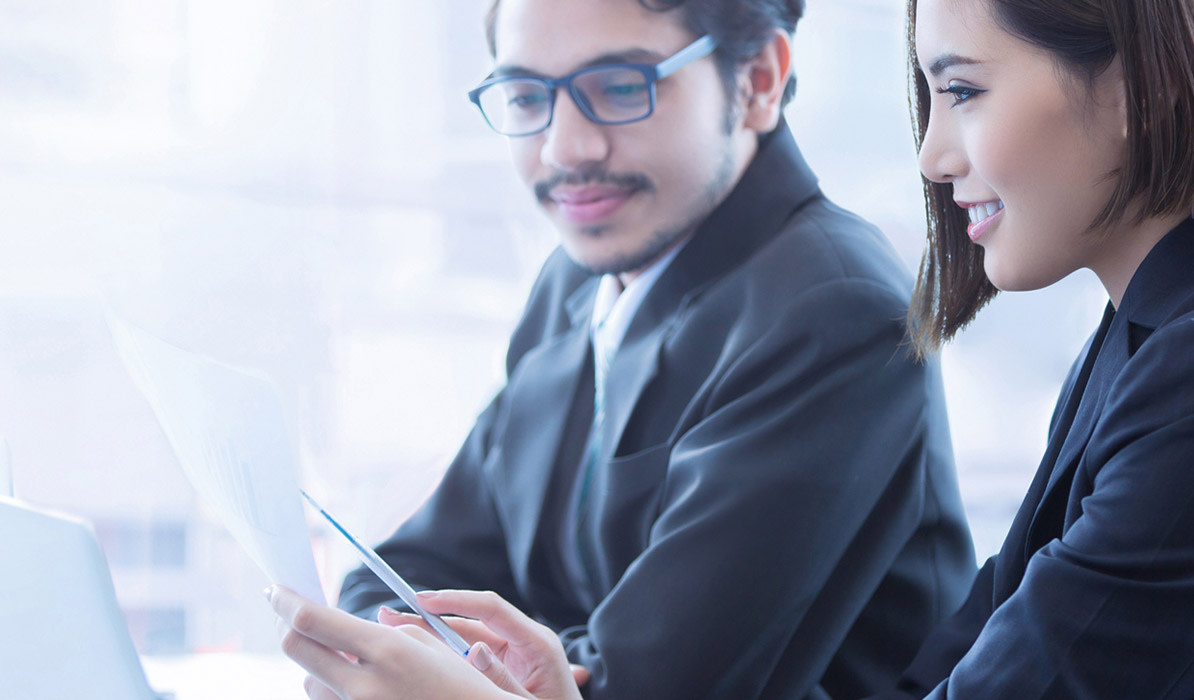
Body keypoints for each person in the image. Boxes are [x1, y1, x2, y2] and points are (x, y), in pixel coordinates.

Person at [270, 0, 1194, 696]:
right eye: (525, 95)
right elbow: (412, 564)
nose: (566, 145)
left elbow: (670, 680)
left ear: (757, 82)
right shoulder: (1128, 339)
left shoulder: (834, 307)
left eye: (617, 86)